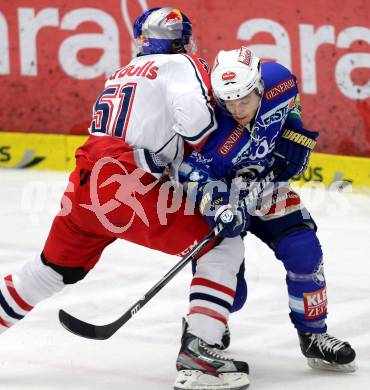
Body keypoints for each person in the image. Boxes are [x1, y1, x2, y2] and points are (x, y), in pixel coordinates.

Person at [0, 8, 250, 390]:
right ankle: (200, 355)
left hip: (84, 181)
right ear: (182, 40)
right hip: (124, 184)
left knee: (51, 269)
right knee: (222, 243)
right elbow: (198, 123)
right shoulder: (182, 64)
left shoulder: (122, 72)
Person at [175, 46, 356, 385]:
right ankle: (206, 326)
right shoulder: (217, 131)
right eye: (228, 102)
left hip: (267, 185)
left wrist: (294, 130)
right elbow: (190, 172)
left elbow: (291, 105)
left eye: (243, 99)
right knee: (232, 290)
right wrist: (219, 206)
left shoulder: (280, 81)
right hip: (226, 198)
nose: (236, 109)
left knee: (304, 250)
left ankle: (313, 335)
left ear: (259, 86)